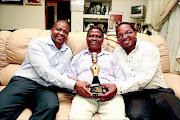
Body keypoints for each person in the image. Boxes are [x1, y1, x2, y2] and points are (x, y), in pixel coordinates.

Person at [0, 20, 89, 120]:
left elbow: (63, 74)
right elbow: (44, 71)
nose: (61, 33)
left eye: (65, 32)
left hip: (46, 87)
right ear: (51, 30)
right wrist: (74, 84)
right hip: (24, 82)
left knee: (50, 107)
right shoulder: (37, 43)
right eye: (58, 29)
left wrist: (77, 84)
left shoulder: (67, 51)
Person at [97, 22, 180, 120]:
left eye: (128, 33)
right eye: (119, 35)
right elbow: (114, 73)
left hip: (158, 90)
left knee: (170, 109)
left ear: (135, 33)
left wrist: (117, 87)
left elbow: (146, 77)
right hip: (135, 93)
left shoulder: (150, 48)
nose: (124, 37)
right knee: (136, 115)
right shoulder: (117, 52)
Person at [68, 26, 129, 120]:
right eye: (91, 36)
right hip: (85, 96)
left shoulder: (112, 57)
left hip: (110, 96)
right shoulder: (78, 57)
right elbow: (70, 79)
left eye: (98, 36)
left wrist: (113, 89)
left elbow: (121, 79)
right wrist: (79, 87)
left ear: (102, 40)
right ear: (86, 38)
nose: (94, 39)